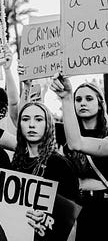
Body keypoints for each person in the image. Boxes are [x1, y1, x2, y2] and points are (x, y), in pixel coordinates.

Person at [51, 74, 108, 241]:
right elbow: (22, 123)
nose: (82, 102)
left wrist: (67, 98)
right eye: (78, 99)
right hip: (73, 207)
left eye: (89, 98)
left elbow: (76, 143)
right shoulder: (62, 132)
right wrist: (26, 85)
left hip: (103, 207)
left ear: (100, 104)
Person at [12, 102, 79, 240]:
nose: (31, 125)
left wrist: (47, 218)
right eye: (25, 119)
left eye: (38, 119)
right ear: (19, 126)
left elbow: (71, 217)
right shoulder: (16, 162)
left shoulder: (60, 164)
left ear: (48, 124)